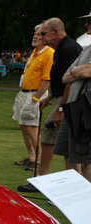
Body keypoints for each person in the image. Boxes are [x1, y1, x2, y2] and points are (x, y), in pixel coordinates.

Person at [17, 17, 82, 192]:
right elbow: (62, 80)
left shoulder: (67, 49)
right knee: (66, 145)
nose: (42, 37)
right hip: (64, 98)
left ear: (54, 32)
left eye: (44, 33)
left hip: (69, 101)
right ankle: (67, 183)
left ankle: (44, 181)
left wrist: (61, 108)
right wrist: (52, 95)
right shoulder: (60, 49)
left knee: (49, 139)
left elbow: (71, 81)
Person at [12, 24, 54, 171]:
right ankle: (31, 157)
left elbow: (47, 80)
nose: (35, 36)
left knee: (32, 127)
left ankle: (39, 160)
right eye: (35, 33)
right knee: (24, 125)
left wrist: (35, 99)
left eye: (40, 34)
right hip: (24, 92)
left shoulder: (49, 53)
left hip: (35, 94)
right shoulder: (35, 52)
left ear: (47, 37)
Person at [53, 39, 91, 181]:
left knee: (86, 158)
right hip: (74, 107)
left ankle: (87, 199)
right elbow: (65, 76)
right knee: (68, 151)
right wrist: (78, 71)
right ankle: (73, 191)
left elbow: (86, 71)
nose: (88, 24)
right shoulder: (87, 49)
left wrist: (78, 71)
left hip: (87, 109)